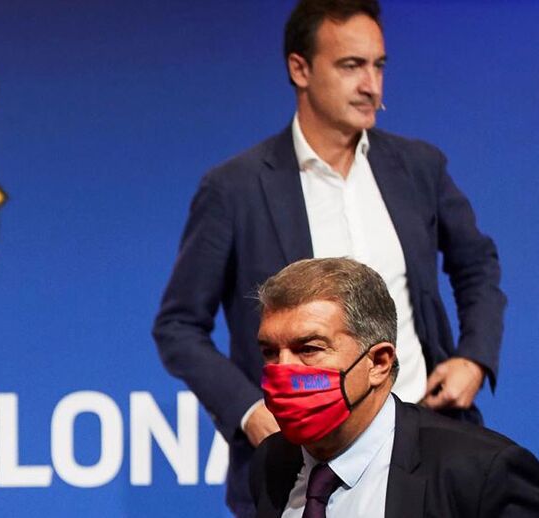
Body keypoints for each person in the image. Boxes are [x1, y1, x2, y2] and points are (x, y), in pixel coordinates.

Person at [151, 0, 505, 515]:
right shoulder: (235, 188)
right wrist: (250, 411)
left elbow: (478, 265)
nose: (371, 86)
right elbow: (178, 325)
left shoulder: (419, 168)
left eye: (378, 66)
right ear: (300, 69)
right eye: (351, 66)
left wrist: (473, 357)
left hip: (420, 451)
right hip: (297, 461)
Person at [248, 258, 539, 517]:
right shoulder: (271, 461)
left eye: (309, 349)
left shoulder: (482, 474)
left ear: (379, 363)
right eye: (270, 352)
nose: (282, 370)